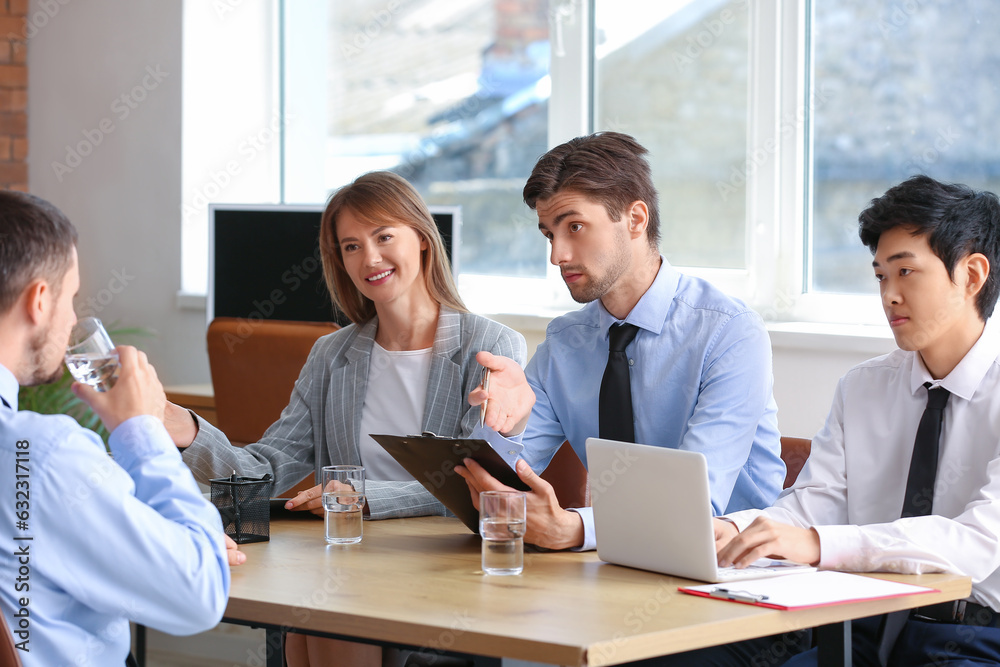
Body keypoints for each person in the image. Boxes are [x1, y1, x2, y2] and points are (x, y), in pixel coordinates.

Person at [164, 171, 527, 667]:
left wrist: (360, 496)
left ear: (421, 239)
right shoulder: (332, 354)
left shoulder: (490, 348)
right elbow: (266, 469)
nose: (370, 259)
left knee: (327, 621)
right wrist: (180, 425)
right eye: (351, 246)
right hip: (346, 559)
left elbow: (474, 485)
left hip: (438, 563)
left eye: (384, 237)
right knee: (306, 626)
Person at [662, 175, 1000, 666]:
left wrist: (817, 545)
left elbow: (978, 542)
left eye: (906, 272)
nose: (889, 295)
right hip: (861, 623)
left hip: (973, 636)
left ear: (972, 275)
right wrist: (737, 529)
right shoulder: (864, 386)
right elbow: (814, 504)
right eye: (881, 276)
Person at [458, 131, 785, 551]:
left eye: (575, 227)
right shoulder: (565, 342)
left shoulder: (731, 333)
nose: (557, 255)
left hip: (730, 564)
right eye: (548, 234)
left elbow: (694, 505)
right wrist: (505, 424)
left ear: (635, 219)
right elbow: (501, 489)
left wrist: (575, 529)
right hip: (612, 561)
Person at [0, 191, 239, 666]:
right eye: (71, 297)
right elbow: (201, 591)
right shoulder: (42, 453)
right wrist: (141, 429)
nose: (72, 319)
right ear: (40, 300)